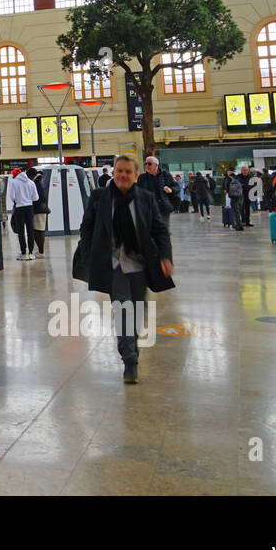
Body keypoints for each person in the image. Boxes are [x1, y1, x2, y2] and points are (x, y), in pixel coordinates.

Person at [74, 154, 174, 385]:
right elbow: (86, 228)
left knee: (137, 310)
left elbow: (160, 230)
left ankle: (132, 349)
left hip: (140, 264)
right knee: (123, 308)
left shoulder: (145, 198)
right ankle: (129, 358)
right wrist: (89, 256)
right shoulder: (99, 197)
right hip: (113, 265)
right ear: (114, 172)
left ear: (135, 175)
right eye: (119, 170)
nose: (122, 175)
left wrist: (165, 257)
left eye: (128, 172)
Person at [138, 155, 176, 229]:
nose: (147, 165)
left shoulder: (166, 175)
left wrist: (171, 190)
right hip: (148, 207)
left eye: (149, 164)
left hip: (163, 206)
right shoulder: (142, 177)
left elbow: (175, 187)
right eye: (145, 164)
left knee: (164, 228)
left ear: (156, 165)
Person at [29, 167, 50, 256]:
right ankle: (41, 251)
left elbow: (40, 197)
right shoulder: (41, 180)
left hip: (38, 209)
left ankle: (41, 252)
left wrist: (32, 202)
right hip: (41, 209)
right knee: (38, 230)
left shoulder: (37, 182)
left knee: (39, 231)